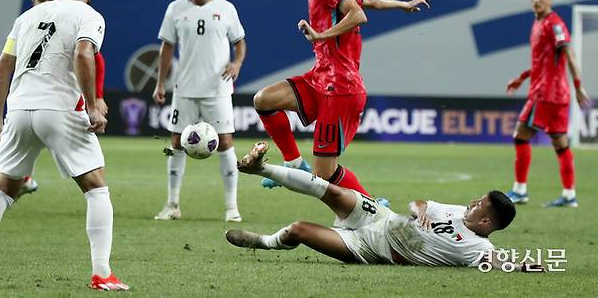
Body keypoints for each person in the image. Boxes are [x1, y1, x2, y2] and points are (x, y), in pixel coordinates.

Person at [0, 0, 128, 290]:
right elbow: (83, 53)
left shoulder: (27, 17)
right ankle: (102, 273)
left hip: (19, 110)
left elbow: (1, 70)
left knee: (2, 190)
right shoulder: (89, 15)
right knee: (97, 188)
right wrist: (92, 106)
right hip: (59, 110)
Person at [253, 0, 430, 196]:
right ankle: (293, 162)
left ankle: (372, 206)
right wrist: (403, 4)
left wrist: (320, 35)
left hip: (341, 89)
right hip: (320, 79)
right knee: (264, 100)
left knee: (323, 175)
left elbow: (358, 14)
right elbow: (369, 0)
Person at [226, 142, 537, 272]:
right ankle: (258, 169)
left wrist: (532, 265)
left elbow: (502, 260)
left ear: (486, 223)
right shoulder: (457, 211)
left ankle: (262, 242)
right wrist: (421, 210)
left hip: (373, 247)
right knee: (330, 190)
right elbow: (421, 202)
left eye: (480, 205)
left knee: (298, 230)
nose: (472, 203)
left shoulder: (476, 248)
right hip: (382, 216)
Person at [152, 0, 246, 222]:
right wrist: (160, 83)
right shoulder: (175, 9)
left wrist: (237, 63)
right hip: (184, 88)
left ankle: (231, 208)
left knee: (226, 144)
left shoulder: (227, 9)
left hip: (218, 88)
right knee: (175, 144)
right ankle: (172, 205)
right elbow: (167, 48)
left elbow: (240, 43)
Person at [17, 0, 109, 200]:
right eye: (43, 0)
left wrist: (96, 97)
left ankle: (19, 181)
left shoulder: (34, 21)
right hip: (43, 103)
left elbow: (94, 58)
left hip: (54, 101)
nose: (49, 3)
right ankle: (21, 181)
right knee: (96, 187)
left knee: (2, 187)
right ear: (34, 2)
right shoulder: (28, 23)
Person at [505, 0, 590, 208]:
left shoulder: (554, 24)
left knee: (520, 136)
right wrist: (522, 78)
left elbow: (569, 55)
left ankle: (520, 190)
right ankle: (569, 195)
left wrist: (579, 85)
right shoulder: (538, 23)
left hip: (545, 93)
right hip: (558, 96)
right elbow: (542, 63)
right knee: (561, 144)